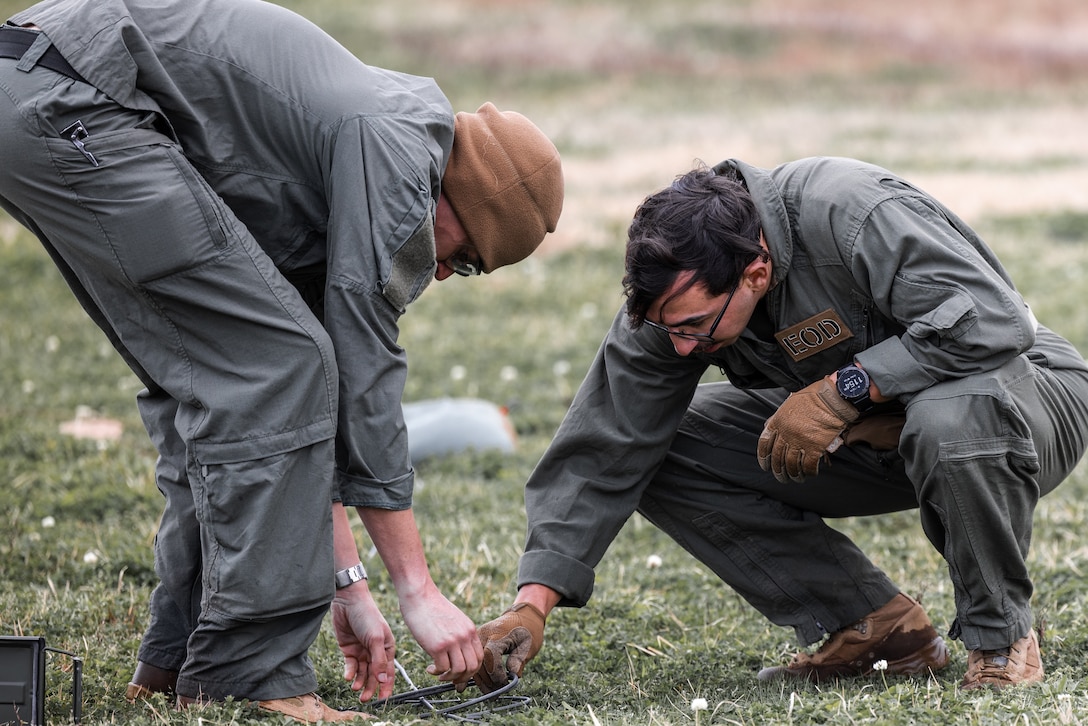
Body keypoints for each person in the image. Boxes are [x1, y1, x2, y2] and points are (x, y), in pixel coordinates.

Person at [0, 0, 563, 721]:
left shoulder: (354, 158)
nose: (446, 274)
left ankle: (178, 658)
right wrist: (415, 589)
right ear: (462, 197)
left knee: (232, 375)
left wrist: (351, 586)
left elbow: (294, 419)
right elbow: (356, 374)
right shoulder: (397, 154)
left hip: (44, 87)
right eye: (469, 258)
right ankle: (248, 674)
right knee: (280, 364)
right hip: (77, 97)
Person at [473, 157, 1088, 694]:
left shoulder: (851, 210)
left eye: (694, 328)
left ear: (756, 273)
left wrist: (846, 389)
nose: (683, 348)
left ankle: (1000, 637)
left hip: (1023, 397)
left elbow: (996, 322)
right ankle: (875, 627)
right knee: (666, 446)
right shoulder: (677, 297)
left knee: (946, 418)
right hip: (882, 433)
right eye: (670, 330)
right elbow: (608, 440)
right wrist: (534, 604)